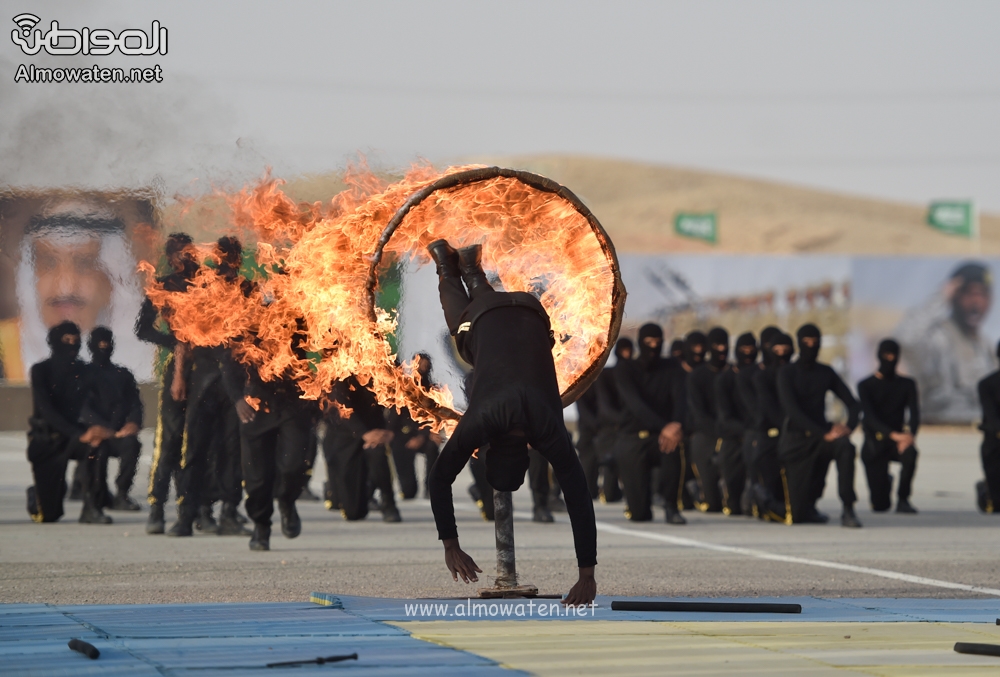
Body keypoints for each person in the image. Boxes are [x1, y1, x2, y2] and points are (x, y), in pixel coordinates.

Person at [424, 239, 597, 605]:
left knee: (484, 327)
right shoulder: (484, 420)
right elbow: (439, 478)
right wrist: (450, 546)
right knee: (465, 332)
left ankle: (471, 271)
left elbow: (579, 497)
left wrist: (588, 576)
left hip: (532, 313)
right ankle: (447, 266)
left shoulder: (546, 429)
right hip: (494, 312)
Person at [135, 233, 198, 535]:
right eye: (181, 254)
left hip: (210, 370)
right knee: (168, 443)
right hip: (178, 369)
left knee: (200, 444)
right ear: (172, 257)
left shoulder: (209, 286)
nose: (187, 258)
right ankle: (157, 506)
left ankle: (197, 509)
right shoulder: (163, 286)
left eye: (191, 252)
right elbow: (143, 329)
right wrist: (174, 343)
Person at [26, 321, 113, 524]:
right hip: (46, 439)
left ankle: (92, 508)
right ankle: (36, 494)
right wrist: (79, 433)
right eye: (66, 340)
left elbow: (108, 400)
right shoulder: (41, 371)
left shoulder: (86, 371)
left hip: (75, 436)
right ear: (54, 342)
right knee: (49, 516)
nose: (71, 345)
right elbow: (47, 411)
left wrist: (103, 428)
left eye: (75, 340)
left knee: (96, 447)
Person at [777, 324, 862, 528]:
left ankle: (848, 509)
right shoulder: (787, 373)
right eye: (806, 342)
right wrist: (824, 433)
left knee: (846, 447)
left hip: (823, 438)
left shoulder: (825, 372)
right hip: (797, 440)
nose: (811, 346)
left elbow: (853, 403)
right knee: (796, 515)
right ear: (799, 343)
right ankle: (764, 499)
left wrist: (847, 427)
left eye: (815, 342)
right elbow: (793, 412)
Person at [895, 262, 997, 424]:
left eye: (983, 295)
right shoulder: (938, 337)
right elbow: (904, 338)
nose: (976, 302)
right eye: (969, 294)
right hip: (941, 429)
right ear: (954, 295)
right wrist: (941, 297)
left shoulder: (988, 348)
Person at [615, 323, 686, 524]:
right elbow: (636, 405)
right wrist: (665, 425)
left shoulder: (672, 367)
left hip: (664, 437)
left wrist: (676, 425)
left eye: (657, 341)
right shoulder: (625, 369)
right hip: (633, 437)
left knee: (674, 450)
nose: (653, 346)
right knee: (639, 515)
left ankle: (672, 506)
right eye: (649, 342)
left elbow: (681, 400)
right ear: (640, 343)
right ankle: (638, 505)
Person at [79, 327, 143, 512]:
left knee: (132, 445)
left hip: (119, 432)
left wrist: (133, 423)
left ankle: (122, 494)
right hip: (95, 432)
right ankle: (96, 494)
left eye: (107, 344)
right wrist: (101, 428)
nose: (104, 347)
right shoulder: (82, 375)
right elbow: (82, 408)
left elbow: (135, 403)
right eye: (99, 344)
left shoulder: (123, 375)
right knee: (96, 450)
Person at [324, 375, 400, 523]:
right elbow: (340, 405)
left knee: (378, 457)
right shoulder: (340, 368)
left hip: (376, 430)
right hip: (346, 433)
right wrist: (363, 433)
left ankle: (388, 503)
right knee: (354, 513)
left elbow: (400, 399)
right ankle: (361, 491)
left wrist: (390, 430)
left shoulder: (382, 364)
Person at [857, 339, 919, 514]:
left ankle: (903, 498)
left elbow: (914, 414)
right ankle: (885, 482)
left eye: (893, 356)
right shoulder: (865, 385)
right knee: (880, 506)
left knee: (911, 454)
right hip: (874, 443)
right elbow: (869, 417)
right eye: (886, 355)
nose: (890, 359)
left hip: (898, 442)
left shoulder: (907, 384)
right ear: (879, 356)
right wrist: (895, 435)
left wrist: (910, 437)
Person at [750, 331, 793, 522]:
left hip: (794, 431)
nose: (782, 354)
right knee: (769, 472)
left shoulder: (796, 373)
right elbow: (768, 408)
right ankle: (762, 498)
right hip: (770, 432)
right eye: (777, 350)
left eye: (786, 350)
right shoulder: (761, 377)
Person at [687, 328, 730, 513]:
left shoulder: (732, 372)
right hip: (705, 434)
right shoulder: (698, 375)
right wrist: (717, 430)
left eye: (724, 345)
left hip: (730, 433)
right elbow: (698, 411)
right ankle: (698, 491)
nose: (721, 349)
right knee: (712, 505)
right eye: (716, 345)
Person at [387, 353, 441, 500]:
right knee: (409, 492)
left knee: (432, 447)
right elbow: (394, 418)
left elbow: (435, 416)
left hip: (424, 434)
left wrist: (423, 436)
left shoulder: (433, 390)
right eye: (420, 364)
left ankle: (432, 488)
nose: (423, 368)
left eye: (426, 365)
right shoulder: (403, 388)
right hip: (402, 436)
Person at [715, 331, 754, 515]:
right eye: (744, 349)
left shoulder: (758, 376)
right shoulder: (725, 379)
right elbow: (725, 414)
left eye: (751, 349)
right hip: (732, 434)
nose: (748, 352)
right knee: (731, 475)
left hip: (755, 433)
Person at [590, 337, 633, 503]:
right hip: (609, 427)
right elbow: (604, 404)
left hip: (626, 426)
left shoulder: (633, 373)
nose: (627, 355)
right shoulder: (606, 375)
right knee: (608, 463)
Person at [976, 341, 1000, 513]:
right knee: (997, 507)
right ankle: (986, 491)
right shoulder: (987, 384)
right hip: (995, 441)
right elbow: (991, 417)